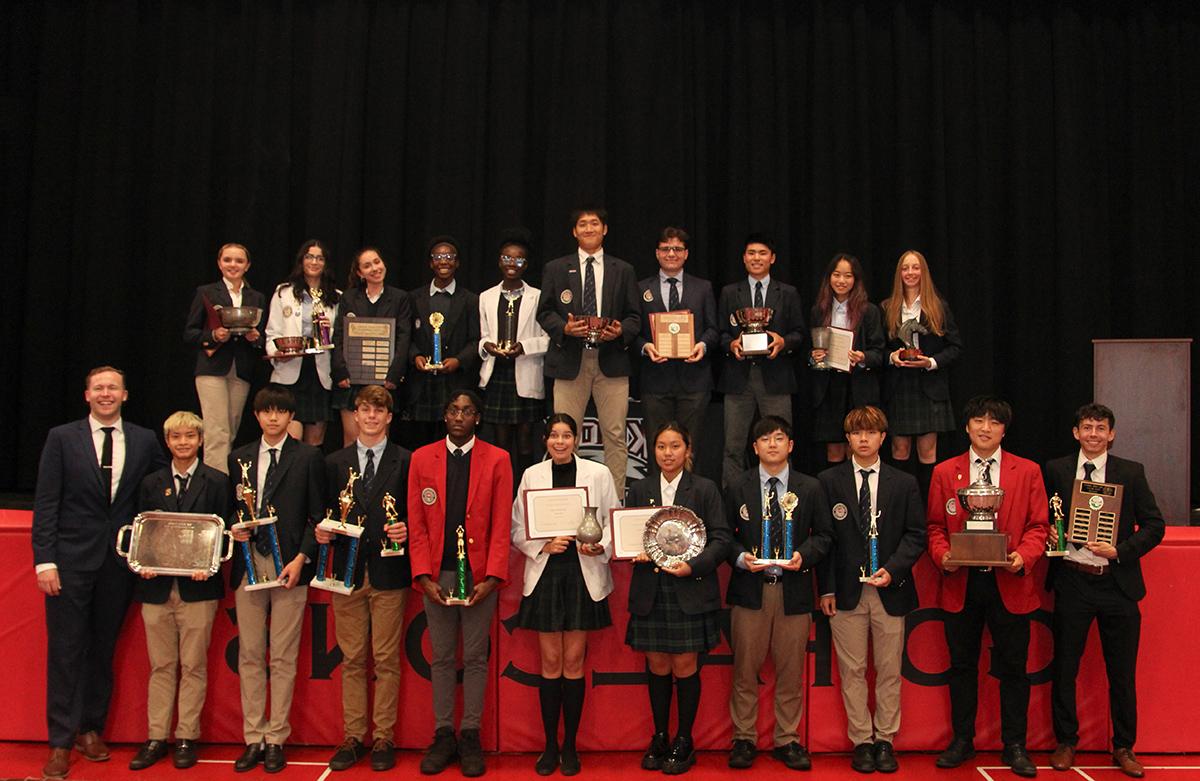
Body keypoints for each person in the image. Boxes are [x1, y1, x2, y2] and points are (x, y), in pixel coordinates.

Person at [32, 366, 165, 780]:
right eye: (99, 388)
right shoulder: (62, 438)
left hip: (119, 564)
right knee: (66, 651)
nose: (106, 394)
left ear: (125, 395)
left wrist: (154, 553)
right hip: (69, 562)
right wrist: (45, 560)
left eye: (113, 388)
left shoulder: (144, 440)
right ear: (87, 395)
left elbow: (159, 494)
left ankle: (91, 729)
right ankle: (59, 742)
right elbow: (47, 501)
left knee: (102, 650)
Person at [926, 396, 1048, 778]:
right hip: (962, 583)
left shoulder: (1027, 471)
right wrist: (943, 555)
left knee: (1014, 668)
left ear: (1003, 430)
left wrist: (1023, 558)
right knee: (962, 667)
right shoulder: (946, 472)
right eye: (977, 420)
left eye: (993, 422)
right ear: (966, 427)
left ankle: (1015, 744)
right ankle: (963, 740)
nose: (984, 428)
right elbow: (934, 526)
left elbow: (1039, 527)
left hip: (1009, 582)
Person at [1044, 404, 1164, 778]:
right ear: (1075, 432)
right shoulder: (1056, 470)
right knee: (1065, 668)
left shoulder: (1131, 472)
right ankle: (1066, 742)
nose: (1094, 433)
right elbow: (1042, 514)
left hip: (1117, 583)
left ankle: (1124, 746)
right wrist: (1049, 530)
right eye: (1087, 427)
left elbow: (1154, 525)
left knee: (1122, 672)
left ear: (1111, 434)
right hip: (1072, 580)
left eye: (1101, 428)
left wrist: (1121, 551)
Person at [407, 390, 513, 777]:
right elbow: (416, 523)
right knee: (441, 657)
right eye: (453, 410)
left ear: (478, 419)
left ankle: (470, 734)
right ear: (444, 415)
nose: (459, 416)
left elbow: (502, 524)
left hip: (480, 575)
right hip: (437, 573)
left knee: (475, 658)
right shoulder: (421, 458)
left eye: (467, 411)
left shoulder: (498, 459)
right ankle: (443, 734)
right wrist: (421, 575)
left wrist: (493, 577)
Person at [817, 406, 925, 774]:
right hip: (845, 592)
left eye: (871, 432)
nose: (863, 439)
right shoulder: (828, 481)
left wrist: (892, 570)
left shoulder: (904, 482)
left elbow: (916, 535)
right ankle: (862, 740)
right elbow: (824, 540)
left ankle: (886, 740)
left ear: (883, 437)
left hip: (889, 588)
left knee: (889, 670)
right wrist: (827, 588)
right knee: (852, 671)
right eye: (856, 433)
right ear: (847, 439)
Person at [510, 413, 619, 776]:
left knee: (573, 663)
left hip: (582, 573)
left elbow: (611, 521)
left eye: (567, 435)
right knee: (549, 664)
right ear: (545, 440)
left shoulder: (598, 474)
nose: (560, 442)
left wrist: (597, 546)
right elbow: (517, 527)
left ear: (577, 439)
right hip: (545, 574)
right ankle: (549, 747)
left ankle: (570, 746)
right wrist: (543, 544)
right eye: (554, 436)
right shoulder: (531, 476)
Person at [227, 385, 326, 774]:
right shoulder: (239, 459)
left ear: (290, 417)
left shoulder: (308, 457)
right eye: (266, 412)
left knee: (283, 658)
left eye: (280, 412)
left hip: (290, 568)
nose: (273, 418)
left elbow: (316, 515)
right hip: (249, 569)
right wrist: (236, 530)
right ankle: (253, 737)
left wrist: (302, 559)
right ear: (255, 416)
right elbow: (233, 511)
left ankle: (276, 739)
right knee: (250, 656)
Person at [725, 416, 831, 771]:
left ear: (791, 445)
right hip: (750, 589)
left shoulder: (810, 487)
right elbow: (723, 535)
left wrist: (805, 556)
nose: (772, 444)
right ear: (754, 447)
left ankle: (788, 739)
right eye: (765, 439)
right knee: (744, 671)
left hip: (793, 590)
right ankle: (743, 738)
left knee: (790, 671)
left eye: (779, 437)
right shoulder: (737, 486)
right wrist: (740, 558)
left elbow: (824, 536)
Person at [129, 411, 233, 771]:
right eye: (176, 438)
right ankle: (156, 736)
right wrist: (145, 561)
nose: (184, 443)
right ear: (167, 442)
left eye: (190, 436)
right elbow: (144, 531)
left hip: (198, 591)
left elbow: (223, 532)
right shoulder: (151, 483)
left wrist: (210, 563)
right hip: (156, 588)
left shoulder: (217, 481)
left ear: (201, 440)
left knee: (193, 666)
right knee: (161, 666)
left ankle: (187, 735)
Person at [625, 422, 730, 775]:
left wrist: (693, 567)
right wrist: (634, 553)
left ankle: (684, 740)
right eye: (660, 446)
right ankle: (659, 736)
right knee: (656, 665)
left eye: (675, 446)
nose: (667, 453)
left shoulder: (704, 489)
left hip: (690, 588)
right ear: (652, 451)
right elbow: (629, 537)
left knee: (685, 667)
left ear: (688, 451)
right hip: (650, 590)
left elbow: (720, 540)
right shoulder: (639, 490)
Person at [318, 385, 413, 772]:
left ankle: (384, 738)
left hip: (390, 572)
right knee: (354, 659)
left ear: (389, 416)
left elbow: (415, 517)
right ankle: (353, 736)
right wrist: (321, 532)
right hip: (348, 573)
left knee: (387, 660)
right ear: (354, 415)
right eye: (364, 409)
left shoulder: (407, 461)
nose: (371, 416)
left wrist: (405, 528)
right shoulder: (334, 463)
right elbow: (321, 513)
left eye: (379, 410)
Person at [536, 207, 641, 495]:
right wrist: (564, 329)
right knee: (562, 436)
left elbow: (635, 316)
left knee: (616, 435)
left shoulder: (623, 270)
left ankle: (615, 502)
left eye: (594, 223)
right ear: (574, 231)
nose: (589, 228)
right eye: (582, 224)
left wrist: (621, 331)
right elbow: (544, 312)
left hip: (612, 361)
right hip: (570, 360)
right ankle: (563, 502)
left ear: (604, 229)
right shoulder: (556, 268)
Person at [717, 233, 805, 490]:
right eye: (752, 253)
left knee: (779, 442)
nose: (757, 258)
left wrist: (783, 341)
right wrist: (731, 344)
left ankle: (785, 502)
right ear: (744, 258)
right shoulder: (730, 292)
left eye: (762, 253)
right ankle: (733, 508)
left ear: (773, 258)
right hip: (738, 379)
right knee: (733, 446)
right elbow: (721, 332)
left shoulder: (788, 293)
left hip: (776, 379)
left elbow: (800, 333)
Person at [879, 250, 963, 495]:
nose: (910, 273)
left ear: (923, 272)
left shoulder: (938, 306)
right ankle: (902, 512)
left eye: (916, 268)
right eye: (905, 268)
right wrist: (891, 357)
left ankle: (928, 517)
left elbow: (956, 347)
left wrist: (931, 362)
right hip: (899, 387)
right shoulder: (886, 307)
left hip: (929, 388)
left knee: (928, 453)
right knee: (900, 451)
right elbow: (877, 349)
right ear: (899, 273)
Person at [635, 227, 719, 465]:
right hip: (655, 380)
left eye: (677, 249)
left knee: (691, 447)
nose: (671, 253)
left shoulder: (703, 288)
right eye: (665, 248)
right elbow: (633, 331)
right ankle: (658, 501)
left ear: (686, 254)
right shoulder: (642, 288)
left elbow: (713, 329)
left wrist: (702, 346)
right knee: (657, 446)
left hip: (695, 380)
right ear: (657, 253)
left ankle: (688, 500)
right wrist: (645, 347)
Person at [183, 242, 266, 473]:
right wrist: (213, 335)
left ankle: (218, 479)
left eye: (239, 261)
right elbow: (190, 333)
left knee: (230, 430)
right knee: (216, 430)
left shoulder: (256, 297)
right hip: (212, 368)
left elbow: (262, 340)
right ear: (219, 263)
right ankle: (214, 488)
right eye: (228, 260)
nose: (233, 265)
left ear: (247, 266)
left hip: (241, 370)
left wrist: (255, 338)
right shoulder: (207, 293)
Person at [478, 229, 549, 478]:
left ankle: (525, 489)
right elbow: (483, 335)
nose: (512, 264)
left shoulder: (538, 297)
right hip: (497, 374)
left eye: (518, 260)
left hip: (526, 372)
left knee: (527, 441)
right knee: (500, 442)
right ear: (500, 261)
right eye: (507, 259)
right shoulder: (486, 297)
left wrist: (524, 347)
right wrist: (487, 346)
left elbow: (548, 339)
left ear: (525, 265)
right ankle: (502, 489)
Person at [809, 253, 885, 470]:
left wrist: (863, 357)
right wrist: (813, 357)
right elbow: (810, 349)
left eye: (847, 276)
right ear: (829, 278)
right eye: (836, 275)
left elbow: (879, 352)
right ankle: (836, 502)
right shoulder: (819, 311)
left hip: (858, 387)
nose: (841, 281)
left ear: (856, 280)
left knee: (858, 448)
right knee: (833, 449)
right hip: (829, 387)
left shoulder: (868, 311)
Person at [265, 239, 344, 446]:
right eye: (309, 256)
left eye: (320, 258)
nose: (314, 262)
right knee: (291, 438)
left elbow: (342, 336)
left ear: (326, 263)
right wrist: (278, 353)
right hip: (290, 371)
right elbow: (272, 332)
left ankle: (310, 478)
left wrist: (329, 330)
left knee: (315, 441)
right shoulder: (284, 292)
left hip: (320, 374)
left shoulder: (336, 298)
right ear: (302, 260)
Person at [331, 246, 413, 447]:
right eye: (367, 266)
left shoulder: (400, 298)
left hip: (385, 382)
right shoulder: (349, 298)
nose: (375, 268)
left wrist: (394, 374)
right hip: (351, 382)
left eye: (377, 262)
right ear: (360, 273)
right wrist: (340, 371)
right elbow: (339, 335)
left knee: (378, 442)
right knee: (351, 441)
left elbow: (404, 338)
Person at [407, 236, 481, 449]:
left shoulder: (470, 300)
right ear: (431, 263)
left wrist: (459, 360)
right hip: (421, 385)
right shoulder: (413, 298)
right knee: (420, 444)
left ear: (457, 263)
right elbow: (405, 337)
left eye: (449, 257)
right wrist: (415, 357)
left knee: (452, 444)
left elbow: (475, 339)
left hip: (455, 383)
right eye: (438, 257)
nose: (444, 261)